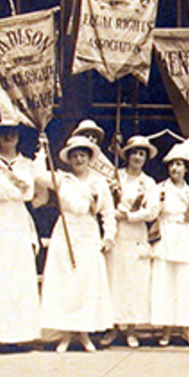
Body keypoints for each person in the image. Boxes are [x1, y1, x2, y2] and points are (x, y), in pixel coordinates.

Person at [36, 135, 115, 352]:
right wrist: (42, 149)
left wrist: (108, 236)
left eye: (83, 155)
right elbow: (38, 175)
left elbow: (108, 212)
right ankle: (65, 335)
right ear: (69, 160)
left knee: (86, 284)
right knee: (66, 283)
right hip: (66, 231)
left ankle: (84, 333)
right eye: (75, 156)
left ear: (89, 158)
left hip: (88, 232)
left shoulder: (99, 183)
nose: (79, 159)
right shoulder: (62, 179)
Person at [0, 124, 41, 347]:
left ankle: (20, 334)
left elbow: (41, 193)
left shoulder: (29, 165)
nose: (8, 136)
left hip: (17, 217)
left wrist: (43, 152)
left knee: (18, 274)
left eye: (13, 132)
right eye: (4, 132)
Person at [145, 137, 189, 348]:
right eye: (172, 164)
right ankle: (166, 330)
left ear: (186, 168)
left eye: (179, 164)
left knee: (185, 285)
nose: (175, 168)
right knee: (165, 284)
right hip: (166, 238)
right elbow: (150, 214)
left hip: (184, 238)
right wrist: (157, 207)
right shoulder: (159, 189)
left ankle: (187, 330)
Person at [101, 136, 158, 348]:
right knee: (115, 279)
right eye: (134, 152)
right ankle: (114, 327)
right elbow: (104, 201)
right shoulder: (116, 177)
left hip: (136, 233)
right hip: (117, 233)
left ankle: (132, 329)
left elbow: (152, 211)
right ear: (127, 155)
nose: (137, 157)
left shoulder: (149, 183)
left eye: (141, 153)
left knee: (135, 282)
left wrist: (130, 217)